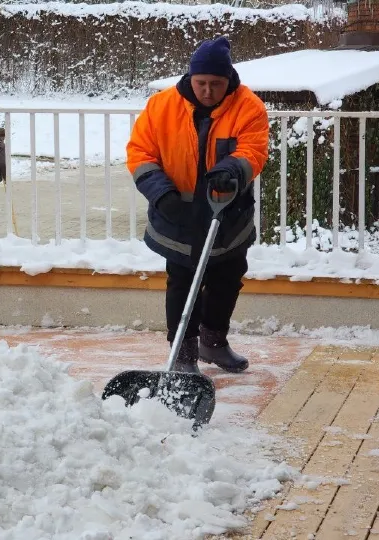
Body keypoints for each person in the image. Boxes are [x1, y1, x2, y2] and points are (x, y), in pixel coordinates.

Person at [126, 36, 269, 374]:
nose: (207, 91)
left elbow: (253, 150)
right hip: (177, 211)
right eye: (201, 83)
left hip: (227, 211)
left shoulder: (248, 107)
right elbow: (140, 153)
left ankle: (213, 342)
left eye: (216, 84)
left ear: (228, 81)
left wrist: (231, 169)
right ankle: (183, 354)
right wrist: (161, 194)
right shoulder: (161, 106)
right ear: (189, 78)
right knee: (181, 280)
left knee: (228, 276)